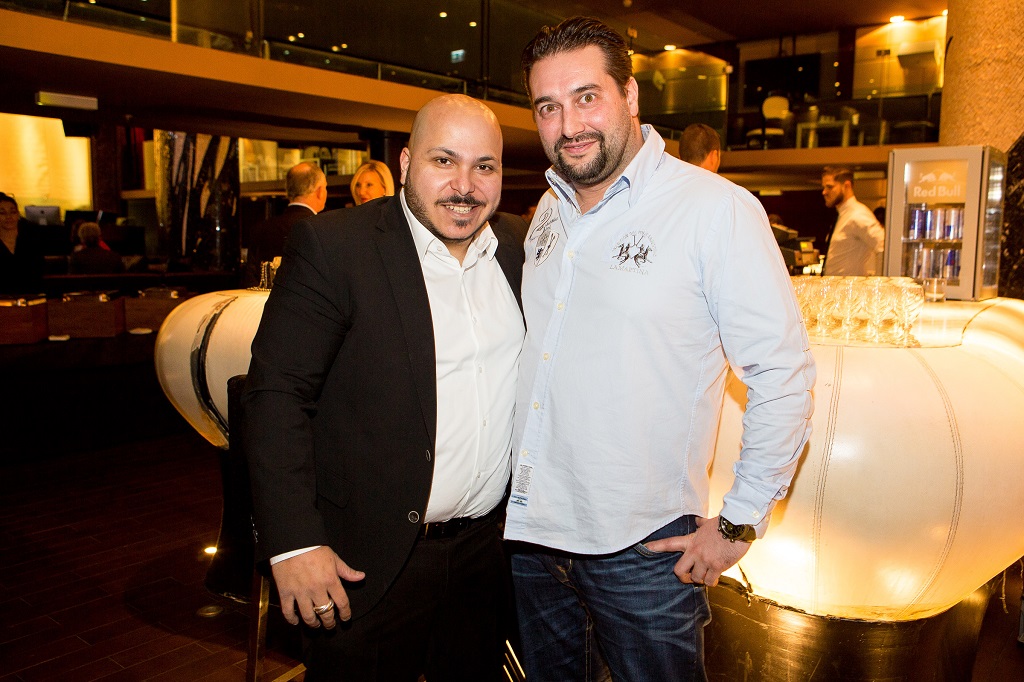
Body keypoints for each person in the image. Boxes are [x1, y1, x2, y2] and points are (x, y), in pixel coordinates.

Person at [504, 16, 816, 681]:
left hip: (646, 551)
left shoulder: (715, 209)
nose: (568, 124)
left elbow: (783, 374)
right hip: (534, 540)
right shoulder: (549, 212)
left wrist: (737, 525)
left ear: (630, 95)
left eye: (587, 97)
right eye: (548, 106)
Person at [242, 93, 528, 681]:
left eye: (484, 166)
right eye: (444, 161)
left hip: (484, 559)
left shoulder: (520, 250)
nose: (465, 186)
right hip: (363, 564)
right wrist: (294, 542)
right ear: (405, 163)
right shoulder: (336, 247)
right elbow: (276, 395)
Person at [244, 162, 327, 286]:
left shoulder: (261, 229)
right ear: (320, 191)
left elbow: (250, 279)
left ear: (288, 191)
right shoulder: (322, 229)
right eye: (325, 187)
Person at [821, 165, 886, 276]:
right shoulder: (842, 215)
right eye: (824, 187)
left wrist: (879, 282)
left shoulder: (858, 214)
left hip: (849, 285)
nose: (824, 192)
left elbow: (883, 247)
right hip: (836, 284)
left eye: (829, 187)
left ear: (846, 186)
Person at [0, 192, 45, 295]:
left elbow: (38, 271)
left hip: (31, 297)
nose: (8, 216)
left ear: (18, 215)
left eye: (13, 212)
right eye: (2, 213)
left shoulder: (31, 241)